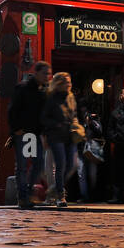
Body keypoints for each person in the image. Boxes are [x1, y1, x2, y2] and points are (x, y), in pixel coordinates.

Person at [9, 61, 49, 209]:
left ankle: (28, 191)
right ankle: (23, 196)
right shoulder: (23, 88)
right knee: (22, 165)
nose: (47, 76)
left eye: (48, 73)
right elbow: (13, 109)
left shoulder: (43, 91)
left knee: (38, 163)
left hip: (35, 133)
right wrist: (16, 128)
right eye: (45, 73)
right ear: (37, 72)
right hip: (24, 133)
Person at [40, 72, 79, 209]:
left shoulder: (70, 96)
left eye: (70, 82)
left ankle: (54, 189)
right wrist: (54, 125)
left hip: (68, 135)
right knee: (58, 165)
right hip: (54, 135)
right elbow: (44, 118)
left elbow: (74, 114)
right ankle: (60, 195)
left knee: (73, 164)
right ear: (59, 83)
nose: (69, 84)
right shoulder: (50, 98)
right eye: (66, 82)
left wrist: (76, 126)